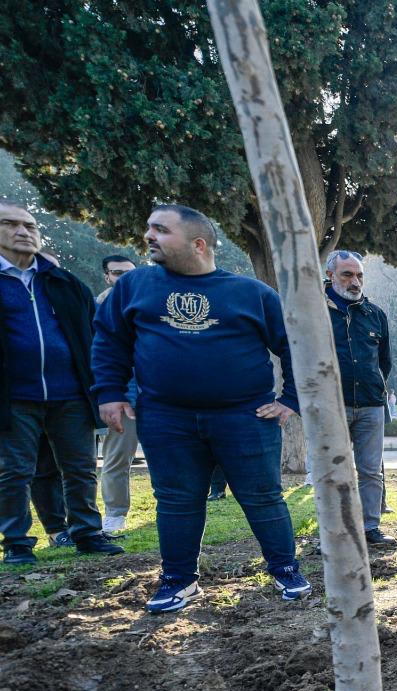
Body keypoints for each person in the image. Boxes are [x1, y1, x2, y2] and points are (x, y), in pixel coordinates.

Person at [92, 203, 311, 612]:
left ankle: (285, 569)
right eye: (149, 228)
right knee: (176, 500)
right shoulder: (134, 287)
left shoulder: (251, 294)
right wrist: (110, 392)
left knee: (263, 497)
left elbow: (294, 347)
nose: (149, 236)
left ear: (198, 244)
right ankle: (178, 580)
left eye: (161, 230)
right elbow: (109, 341)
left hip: (245, 416)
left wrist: (290, 401)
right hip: (165, 417)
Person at [0, 200, 122, 566]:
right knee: (15, 470)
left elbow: (93, 338)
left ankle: (87, 532)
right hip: (13, 397)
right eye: (11, 224)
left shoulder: (64, 283)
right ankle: (18, 544)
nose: (24, 232)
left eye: (30, 225)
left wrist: (100, 388)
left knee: (81, 467)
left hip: (70, 393)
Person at [323, 250, 394, 547]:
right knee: (332, 473)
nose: (355, 282)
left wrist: (376, 387)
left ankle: (370, 528)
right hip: (330, 406)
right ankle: (333, 531)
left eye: (360, 275)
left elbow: (385, 361)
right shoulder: (315, 313)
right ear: (330, 276)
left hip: (370, 405)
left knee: (370, 471)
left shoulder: (375, 314)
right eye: (347, 275)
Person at [96, 256, 141, 534]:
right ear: (107, 276)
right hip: (122, 397)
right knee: (116, 459)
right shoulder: (99, 307)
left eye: (129, 273)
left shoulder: (149, 304)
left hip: (157, 395)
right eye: (117, 273)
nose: (123, 278)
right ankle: (115, 513)